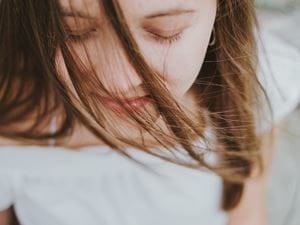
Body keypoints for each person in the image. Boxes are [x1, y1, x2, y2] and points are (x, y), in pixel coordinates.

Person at [0, 0, 299, 225]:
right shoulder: (10, 128)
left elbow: (246, 212)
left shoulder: (252, 84)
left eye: (165, 32)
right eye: (73, 32)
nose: (117, 82)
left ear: (221, 12)